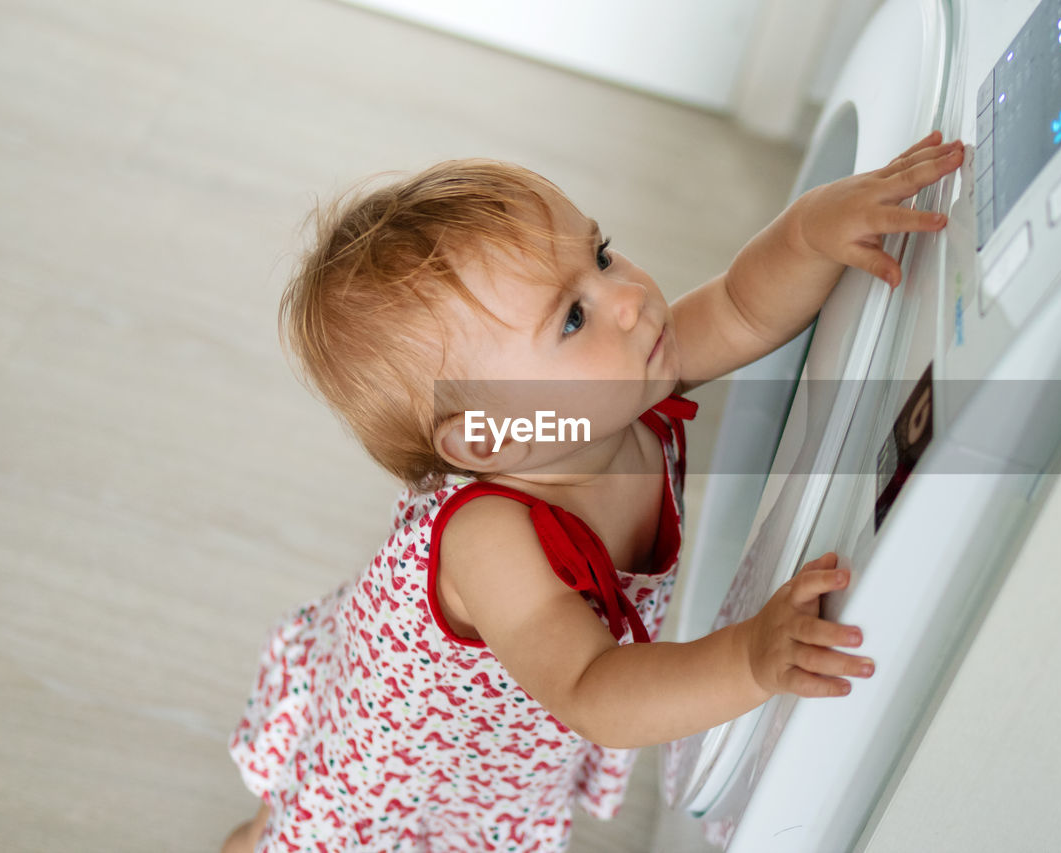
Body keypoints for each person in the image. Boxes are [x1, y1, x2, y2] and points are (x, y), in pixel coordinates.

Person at [222, 132, 964, 853]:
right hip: (406, 749)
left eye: (601, 255)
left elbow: (741, 306)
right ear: (485, 439)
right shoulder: (491, 541)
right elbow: (592, 682)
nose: (631, 298)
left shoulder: (626, 386)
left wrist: (808, 232)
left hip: (510, 731)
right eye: (573, 317)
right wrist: (747, 657)